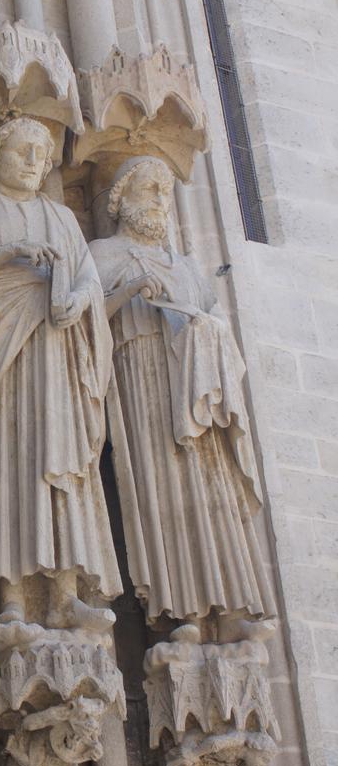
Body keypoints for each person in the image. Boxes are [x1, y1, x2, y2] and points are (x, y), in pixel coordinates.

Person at [0, 116, 120, 624]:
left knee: (60, 467)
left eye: (40, 157)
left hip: (57, 358)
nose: (31, 163)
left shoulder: (62, 217)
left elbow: (90, 280)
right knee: (10, 463)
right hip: (1, 359)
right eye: (21, 151)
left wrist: (76, 301)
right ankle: (13, 600)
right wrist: (11, 252)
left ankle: (65, 596)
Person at [89, 155, 273, 632]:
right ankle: (182, 614)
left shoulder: (189, 266)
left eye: (164, 192)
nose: (158, 200)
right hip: (142, 381)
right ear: (119, 198)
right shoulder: (103, 254)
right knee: (162, 493)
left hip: (196, 390)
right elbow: (80, 325)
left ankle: (231, 612)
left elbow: (220, 327)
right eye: (147, 188)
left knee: (214, 495)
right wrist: (128, 291)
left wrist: (205, 330)